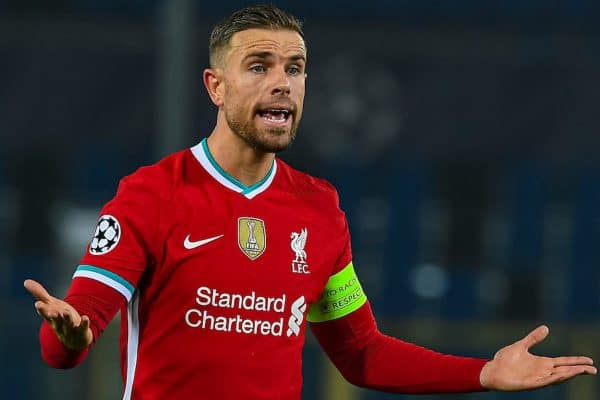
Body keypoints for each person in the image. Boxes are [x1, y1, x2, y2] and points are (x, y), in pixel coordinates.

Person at [24, 4, 596, 399]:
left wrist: (484, 373)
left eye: (295, 69)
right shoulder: (150, 195)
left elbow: (361, 354)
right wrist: (72, 338)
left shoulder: (319, 211)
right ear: (214, 86)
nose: (283, 83)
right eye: (259, 66)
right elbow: (65, 340)